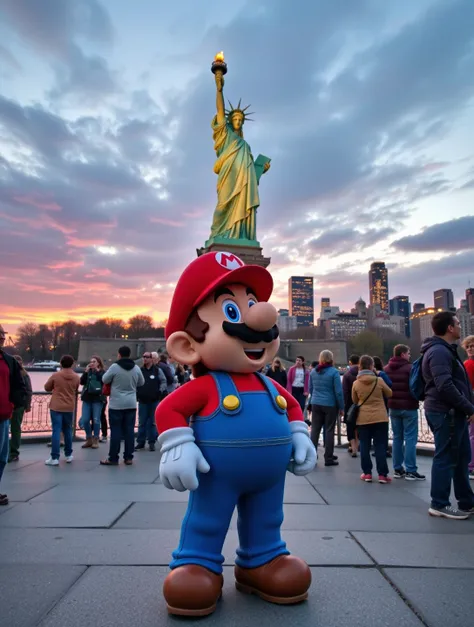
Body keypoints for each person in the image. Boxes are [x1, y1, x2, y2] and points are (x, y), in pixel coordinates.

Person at [155, 251, 316, 617]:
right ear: (188, 344)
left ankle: (263, 560)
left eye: (254, 303)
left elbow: (291, 406)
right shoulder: (209, 385)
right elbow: (170, 409)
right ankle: (197, 563)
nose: (260, 318)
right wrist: (178, 443)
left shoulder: (266, 381)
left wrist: (299, 433)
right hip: (217, 475)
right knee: (207, 517)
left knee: (268, 517)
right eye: (233, 310)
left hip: (269, 478)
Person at [421, 312, 474, 519]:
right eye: (458, 324)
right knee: (446, 456)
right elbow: (445, 385)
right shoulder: (439, 352)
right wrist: (469, 407)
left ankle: (467, 501)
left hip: (451, 411)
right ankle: (439, 503)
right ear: (450, 328)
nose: (461, 327)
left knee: (461, 456)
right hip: (446, 412)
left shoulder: (445, 351)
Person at [384, 345, 425, 480]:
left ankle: (397, 468)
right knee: (410, 439)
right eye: (408, 353)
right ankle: (411, 470)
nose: (409, 356)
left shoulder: (386, 369)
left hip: (393, 407)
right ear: (402, 354)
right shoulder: (410, 368)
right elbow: (416, 385)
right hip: (409, 407)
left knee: (397, 438)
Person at [100, 346, 144, 466]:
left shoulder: (115, 367)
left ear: (119, 354)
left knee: (116, 432)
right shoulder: (136, 368)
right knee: (129, 431)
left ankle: (113, 458)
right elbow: (141, 382)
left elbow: (104, 379)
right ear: (129, 355)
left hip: (116, 404)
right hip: (131, 403)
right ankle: (128, 457)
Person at [352, 355, 392, 483]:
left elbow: (355, 400)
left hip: (363, 418)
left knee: (364, 446)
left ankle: (367, 473)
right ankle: (382, 474)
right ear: (371, 366)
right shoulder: (378, 380)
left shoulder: (356, 383)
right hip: (380, 417)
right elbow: (389, 393)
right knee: (380, 446)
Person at [0, 325, 26, 505]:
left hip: (3, 415)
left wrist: (13, 405)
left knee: (2, 457)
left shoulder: (8, 360)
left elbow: (18, 385)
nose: (2, 337)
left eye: (2, 334)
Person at [308, 350, 344, 466]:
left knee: (315, 430)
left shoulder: (314, 372)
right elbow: (338, 392)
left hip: (316, 403)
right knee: (329, 430)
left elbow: (310, 389)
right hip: (329, 404)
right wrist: (341, 407)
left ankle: (312, 456)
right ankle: (328, 457)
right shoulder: (334, 372)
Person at [44, 355, 80, 466]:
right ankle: (68, 455)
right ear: (72, 364)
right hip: (69, 406)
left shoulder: (56, 375)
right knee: (68, 430)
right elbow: (76, 388)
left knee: (56, 430)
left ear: (61, 363)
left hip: (56, 406)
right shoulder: (76, 377)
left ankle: (54, 457)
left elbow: (47, 387)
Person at [135, 352, 166, 451]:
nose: (145, 359)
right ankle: (140, 442)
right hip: (142, 400)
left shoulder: (157, 370)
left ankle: (152, 442)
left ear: (152, 359)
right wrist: (137, 393)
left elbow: (163, 381)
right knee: (142, 422)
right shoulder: (140, 370)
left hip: (154, 400)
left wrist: (160, 390)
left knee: (153, 422)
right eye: (143, 357)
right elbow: (135, 382)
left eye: (147, 357)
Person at [9, 355, 32, 462]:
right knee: (14, 429)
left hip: (17, 405)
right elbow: (29, 391)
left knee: (14, 429)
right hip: (16, 405)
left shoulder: (24, 375)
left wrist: (27, 405)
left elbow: (28, 391)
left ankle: (13, 452)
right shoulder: (24, 374)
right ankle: (12, 452)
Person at [79, 355, 105, 449]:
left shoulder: (102, 372)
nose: (92, 363)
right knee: (85, 420)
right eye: (91, 361)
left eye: (94, 361)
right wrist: (85, 372)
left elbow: (104, 381)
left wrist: (98, 372)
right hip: (87, 398)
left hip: (97, 399)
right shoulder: (88, 372)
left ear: (98, 363)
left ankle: (96, 439)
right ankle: (89, 438)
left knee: (96, 420)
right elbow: (81, 382)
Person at [373, 356, 392, 458]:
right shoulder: (382, 375)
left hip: (369, 406)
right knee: (383, 429)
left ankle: (376, 449)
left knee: (374, 429)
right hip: (382, 404)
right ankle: (384, 449)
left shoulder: (367, 375)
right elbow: (389, 385)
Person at [342, 355, 359, 457]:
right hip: (361, 403)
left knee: (350, 426)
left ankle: (353, 447)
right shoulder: (362, 373)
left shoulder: (347, 375)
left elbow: (344, 391)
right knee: (359, 426)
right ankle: (357, 445)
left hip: (349, 404)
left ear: (350, 363)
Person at [462, 335, 474, 481]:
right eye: (468, 346)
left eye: (472, 346)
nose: (470, 349)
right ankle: (471, 466)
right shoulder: (469, 364)